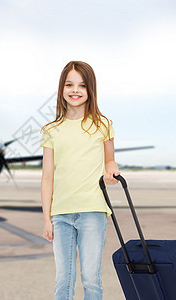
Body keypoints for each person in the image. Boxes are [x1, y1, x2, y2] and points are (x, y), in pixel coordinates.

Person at [40, 61, 120, 300]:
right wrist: (47, 218)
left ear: (90, 89)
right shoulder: (51, 130)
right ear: (62, 88)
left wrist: (112, 172)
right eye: (70, 84)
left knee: (91, 280)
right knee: (63, 280)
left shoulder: (103, 125)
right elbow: (47, 177)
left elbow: (110, 161)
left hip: (93, 211)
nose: (75, 90)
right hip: (61, 214)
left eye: (82, 85)